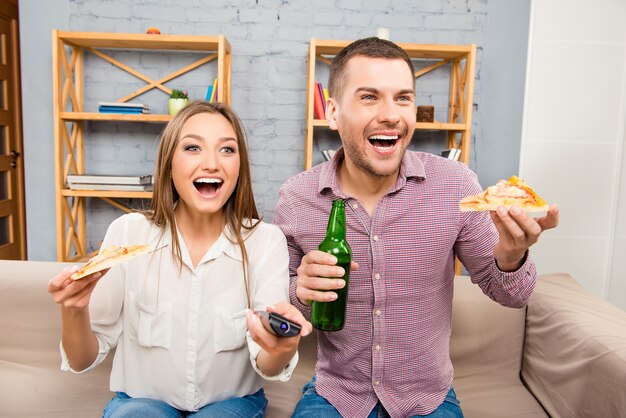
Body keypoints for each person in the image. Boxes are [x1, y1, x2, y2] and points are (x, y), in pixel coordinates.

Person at [273, 37, 559, 418]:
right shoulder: (297, 197)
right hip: (335, 395)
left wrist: (510, 255)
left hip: (428, 400)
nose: (391, 114)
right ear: (333, 111)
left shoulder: (456, 185)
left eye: (403, 98)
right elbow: (278, 311)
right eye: (369, 97)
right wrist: (301, 292)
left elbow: (514, 295)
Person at [48, 101, 312, 417]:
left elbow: (267, 363)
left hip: (231, 403)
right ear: (169, 164)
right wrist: (73, 310)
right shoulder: (128, 234)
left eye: (227, 150)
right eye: (192, 148)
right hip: (142, 401)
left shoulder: (265, 241)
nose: (212, 163)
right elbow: (82, 360)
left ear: (239, 165)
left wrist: (281, 346)